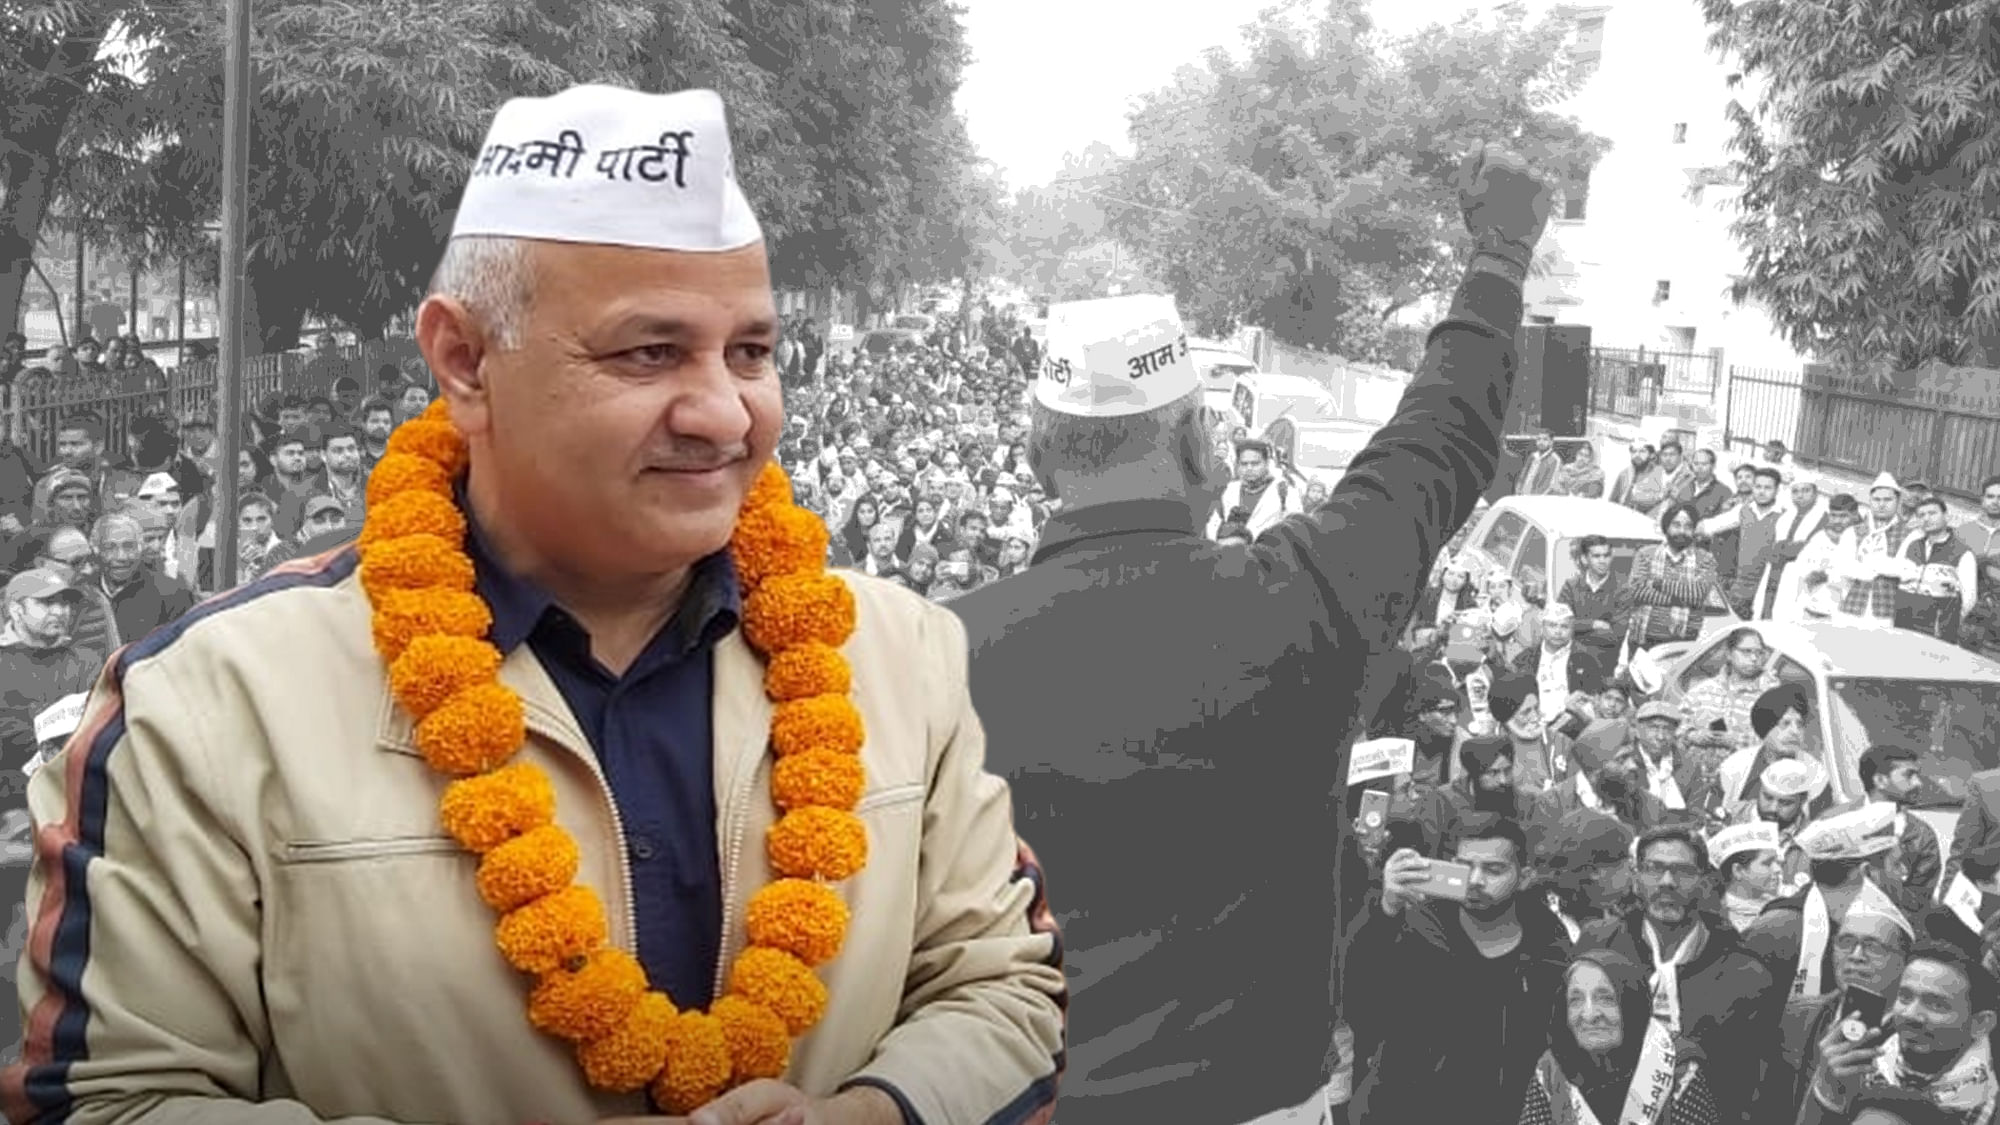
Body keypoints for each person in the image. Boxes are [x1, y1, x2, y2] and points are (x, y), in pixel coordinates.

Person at [3, 85, 1065, 1125]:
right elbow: (103, 1099)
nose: (721, 410)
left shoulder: (901, 654)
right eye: (648, 352)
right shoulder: (203, 707)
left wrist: (877, 1110)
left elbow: (1006, 990)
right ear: (463, 361)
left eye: (750, 351)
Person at [948, 145, 1554, 1125]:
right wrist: (1499, 251)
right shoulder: (1298, 598)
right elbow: (1440, 437)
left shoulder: (935, 656)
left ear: (1034, 449)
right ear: (1199, 444)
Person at [1514, 949, 1720, 1125]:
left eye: (1606, 998)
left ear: (1631, 1006)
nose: (1590, 1014)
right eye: (1575, 1000)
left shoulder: (1678, 1070)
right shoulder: (1552, 1070)